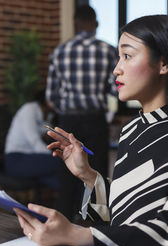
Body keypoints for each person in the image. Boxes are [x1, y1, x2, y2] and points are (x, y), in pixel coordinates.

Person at [14, 14, 168, 246]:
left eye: (127, 55)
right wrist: (88, 175)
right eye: (118, 57)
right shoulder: (132, 128)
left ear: (164, 63)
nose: (116, 68)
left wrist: (77, 233)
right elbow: (129, 212)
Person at [45, 4, 118, 220]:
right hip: (96, 120)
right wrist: (105, 109)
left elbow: (51, 96)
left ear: (75, 24)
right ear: (95, 24)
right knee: (96, 176)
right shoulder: (108, 50)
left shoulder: (60, 52)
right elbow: (116, 90)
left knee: (67, 177)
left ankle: (64, 225)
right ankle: (95, 228)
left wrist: (68, 111)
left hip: (69, 122)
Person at [5, 90, 59, 189]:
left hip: (33, 159)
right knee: (61, 163)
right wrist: (52, 156)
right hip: (16, 160)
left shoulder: (48, 115)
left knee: (60, 181)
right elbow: (34, 141)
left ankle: (73, 202)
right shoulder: (29, 109)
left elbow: (48, 132)